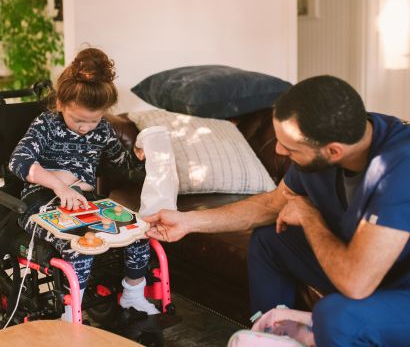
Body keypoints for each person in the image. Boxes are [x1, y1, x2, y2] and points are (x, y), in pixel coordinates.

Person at [145, 75, 410, 346]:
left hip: (399, 288)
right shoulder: (332, 132)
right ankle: (270, 336)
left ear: (333, 152)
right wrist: (187, 222)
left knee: (337, 317)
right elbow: (273, 205)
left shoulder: (399, 168)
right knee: (270, 238)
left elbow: (357, 283)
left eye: (290, 147)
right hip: (365, 266)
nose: (279, 151)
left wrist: (309, 216)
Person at [9, 47, 159, 321]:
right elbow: (19, 161)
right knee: (81, 244)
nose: (85, 128)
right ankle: (70, 310)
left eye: (93, 120)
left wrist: (141, 157)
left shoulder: (102, 130)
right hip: (40, 201)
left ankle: (133, 295)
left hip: (86, 202)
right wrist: (59, 185)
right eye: (78, 119)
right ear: (60, 104)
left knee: (139, 232)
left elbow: (122, 165)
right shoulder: (47, 124)